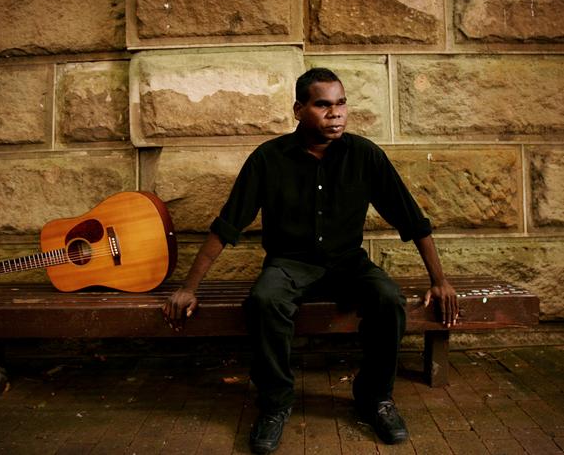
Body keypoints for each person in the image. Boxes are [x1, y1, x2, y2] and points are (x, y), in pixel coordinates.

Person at [163, 67, 458, 454]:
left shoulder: (365, 155)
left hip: (348, 263)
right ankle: (275, 403)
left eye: (340, 104)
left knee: (388, 298)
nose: (335, 113)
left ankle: (375, 398)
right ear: (299, 109)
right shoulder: (269, 158)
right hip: (289, 264)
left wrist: (440, 280)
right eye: (323, 105)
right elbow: (227, 225)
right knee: (264, 301)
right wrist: (188, 288)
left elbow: (411, 218)